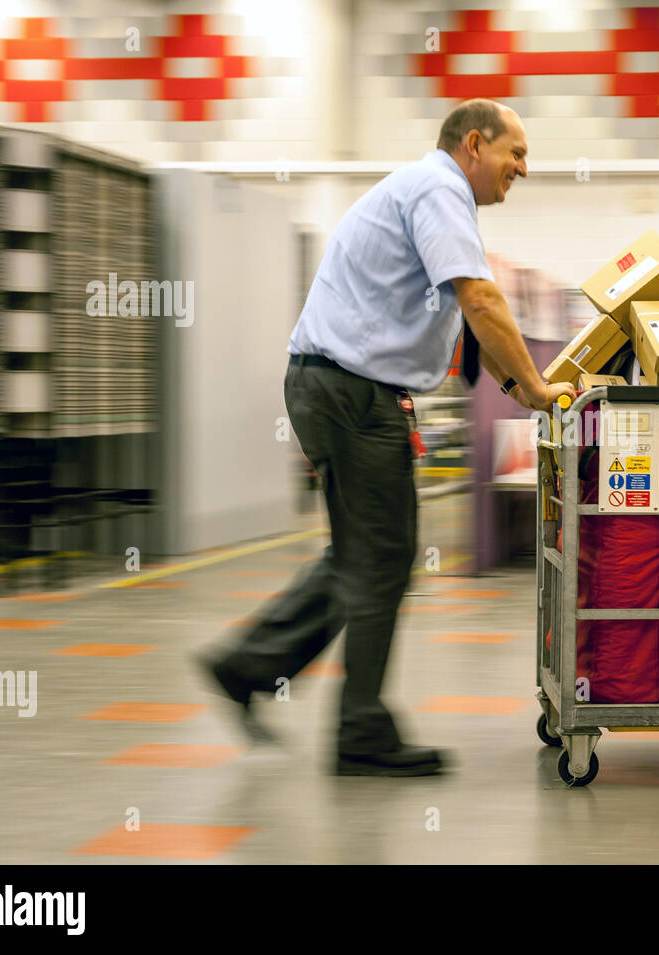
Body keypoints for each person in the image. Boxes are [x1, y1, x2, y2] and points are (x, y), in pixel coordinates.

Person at [200, 99, 574, 776]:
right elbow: (481, 300)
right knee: (379, 557)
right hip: (349, 392)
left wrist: (522, 386)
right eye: (514, 151)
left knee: (366, 554)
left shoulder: (433, 196)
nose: (524, 166)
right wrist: (541, 389)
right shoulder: (439, 188)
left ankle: (250, 664)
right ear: (472, 145)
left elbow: (468, 321)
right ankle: (358, 729)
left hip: (344, 389)